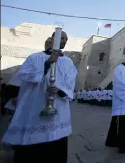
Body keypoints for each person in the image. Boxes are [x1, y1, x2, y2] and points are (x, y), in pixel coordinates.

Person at [2, 31, 77, 163]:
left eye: (66, 39)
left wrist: (60, 90)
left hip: (58, 105)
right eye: (61, 37)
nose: (64, 40)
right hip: (35, 105)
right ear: (52, 38)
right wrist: (47, 64)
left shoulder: (68, 62)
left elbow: (70, 81)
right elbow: (24, 75)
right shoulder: (35, 57)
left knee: (55, 139)